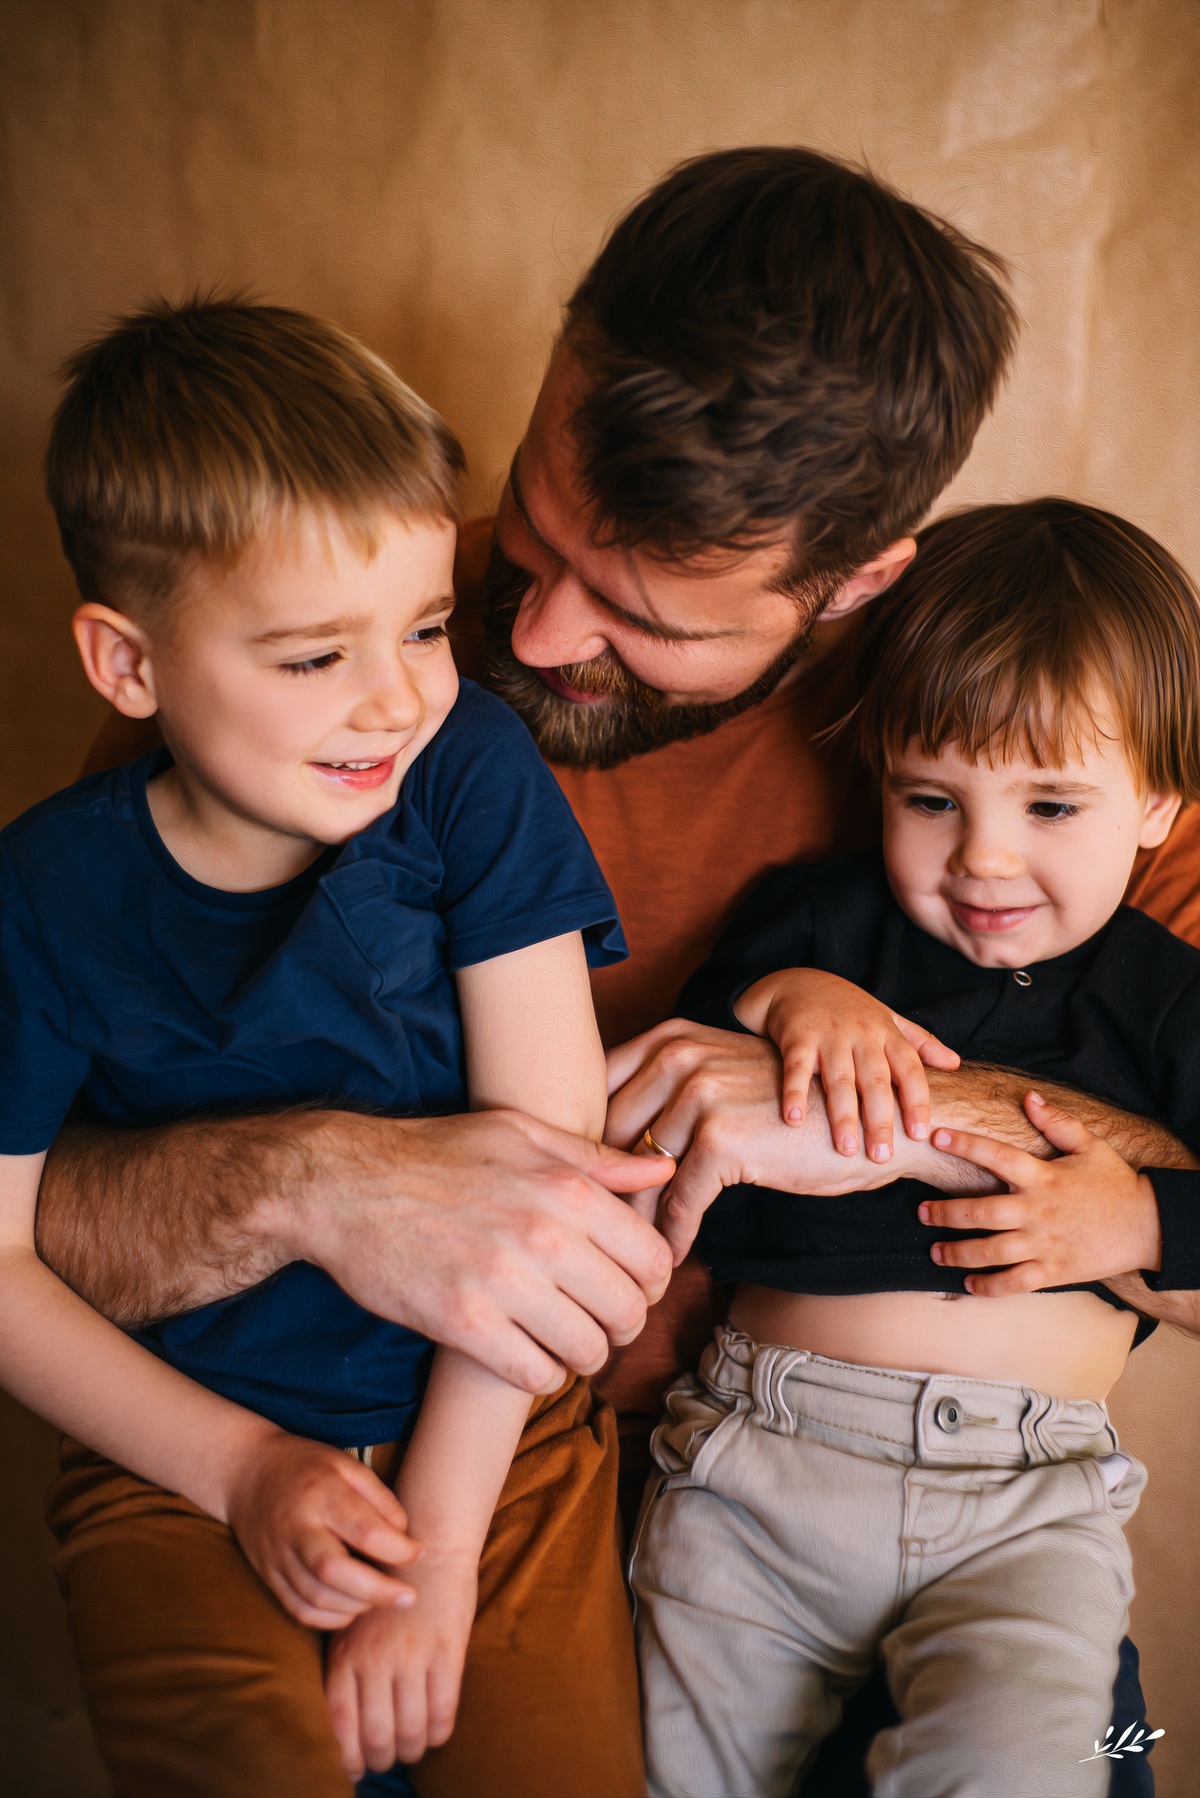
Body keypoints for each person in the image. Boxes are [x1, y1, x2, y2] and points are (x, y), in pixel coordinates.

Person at [34, 149, 1196, 1793]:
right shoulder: (309, 651)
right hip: (436, 1478)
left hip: (988, 1525)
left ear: (857, 583)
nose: (544, 632)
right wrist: (308, 1182)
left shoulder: (1007, 747)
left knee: (1098, 1753)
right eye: (537, 525)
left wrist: (872, 1100)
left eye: (644, 609)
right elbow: (45, 1209)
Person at [6, 297, 671, 1797]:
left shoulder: (468, 773)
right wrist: (240, 1470)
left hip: (496, 1447)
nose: (398, 696)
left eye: (428, 625)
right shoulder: (39, 897)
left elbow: (549, 1187)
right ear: (127, 665)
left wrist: (435, 1553)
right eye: (316, 656)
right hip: (174, 1461)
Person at [626, 498, 1195, 1796]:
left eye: (1051, 804)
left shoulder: (1170, 1002)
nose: (984, 856)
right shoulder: (827, 925)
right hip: (761, 1468)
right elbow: (696, 1059)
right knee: (675, 1771)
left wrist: (1139, 1224)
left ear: (1160, 803)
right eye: (931, 796)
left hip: (1029, 1497)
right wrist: (790, 1002)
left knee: (1026, 1763)